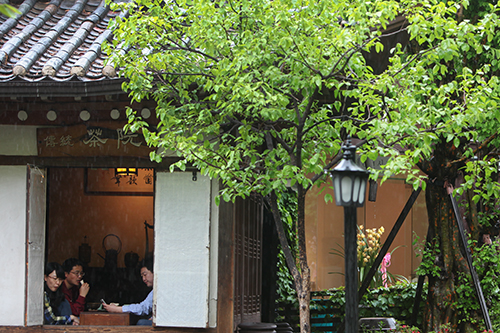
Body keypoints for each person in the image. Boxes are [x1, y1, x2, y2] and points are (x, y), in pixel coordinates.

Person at [103, 256, 153, 326]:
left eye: (145, 275)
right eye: (142, 276)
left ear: (155, 271)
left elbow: (143, 308)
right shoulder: (155, 290)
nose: (143, 279)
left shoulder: (159, 289)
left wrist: (118, 309)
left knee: (141, 323)